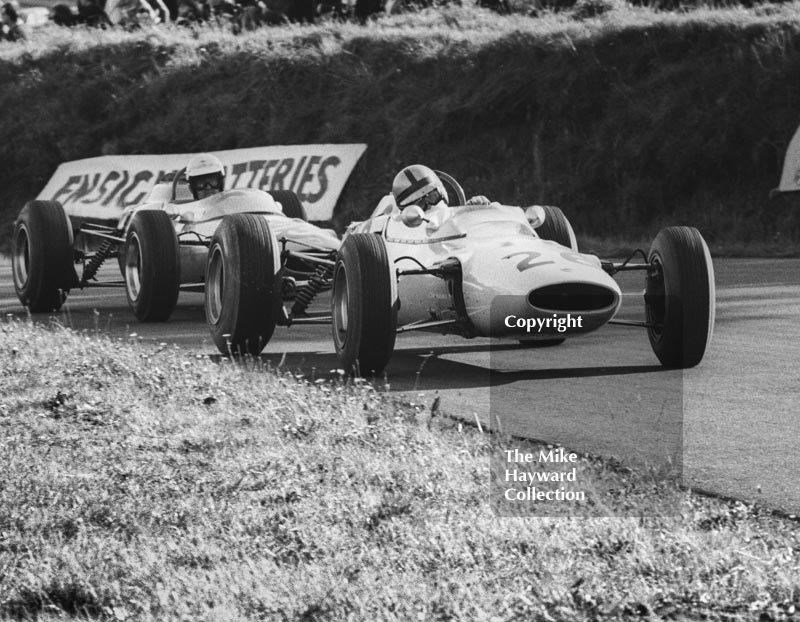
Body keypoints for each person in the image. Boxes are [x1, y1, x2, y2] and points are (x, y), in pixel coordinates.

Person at [391, 164, 491, 210]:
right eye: (420, 204)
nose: (429, 205)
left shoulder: (457, 219)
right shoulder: (401, 231)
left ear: (442, 192)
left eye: (432, 196)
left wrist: (478, 209)